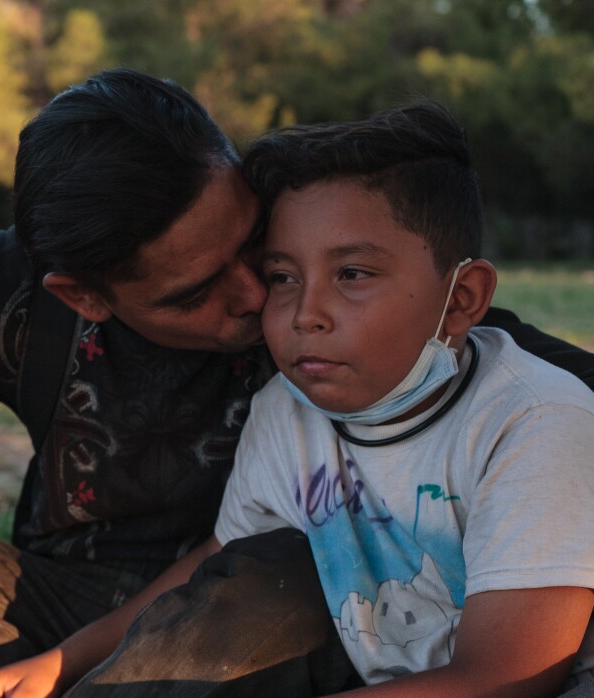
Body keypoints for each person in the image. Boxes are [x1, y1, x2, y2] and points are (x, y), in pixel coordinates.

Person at [0, 69, 594, 698]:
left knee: (257, 591)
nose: (257, 299)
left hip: (277, 599)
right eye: (194, 293)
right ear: (84, 297)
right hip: (78, 602)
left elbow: (473, 344)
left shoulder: (323, 283)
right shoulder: (12, 292)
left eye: (250, 249)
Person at [35, 102, 594, 698]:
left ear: (462, 298)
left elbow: (504, 677)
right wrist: (63, 662)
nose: (306, 315)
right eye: (283, 277)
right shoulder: (287, 412)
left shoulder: (536, 423)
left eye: (352, 274)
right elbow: (215, 560)